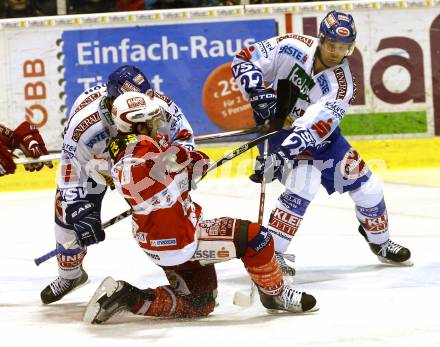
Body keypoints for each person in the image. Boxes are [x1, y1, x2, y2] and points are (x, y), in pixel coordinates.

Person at [82, 92, 317, 324]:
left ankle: (128, 296)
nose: (159, 125)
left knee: (200, 302)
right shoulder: (133, 161)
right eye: (152, 121)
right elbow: (142, 174)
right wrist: (176, 166)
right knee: (258, 239)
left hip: (164, 237)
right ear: (139, 126)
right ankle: (275, 296)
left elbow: (193, 160)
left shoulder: (137, 145)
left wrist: (186, 162)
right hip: (179, 238)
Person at [231, 10, 411, 276]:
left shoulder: (341, 86)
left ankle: (380, 241)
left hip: (321, 140)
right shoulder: (291, 46)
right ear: (321, 39)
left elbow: (313, 128)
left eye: (344, 48)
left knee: (370, 189)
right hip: (278, 131)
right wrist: (257, 92)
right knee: (304, 184)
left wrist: (280, 156)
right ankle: (273, 253)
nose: (336, 53)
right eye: (332, 45)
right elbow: (244, 59)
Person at [40, 65, 196, 305]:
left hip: (142, 163)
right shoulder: (85, 125)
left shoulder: (159, 106)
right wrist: (78, 209)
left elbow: (185, 137)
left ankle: (181, 271)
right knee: (66, 213)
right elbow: (70, 170)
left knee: (164, 215)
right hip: (96, 167)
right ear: (113, 100)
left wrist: (178, 161)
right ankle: (70, 275)